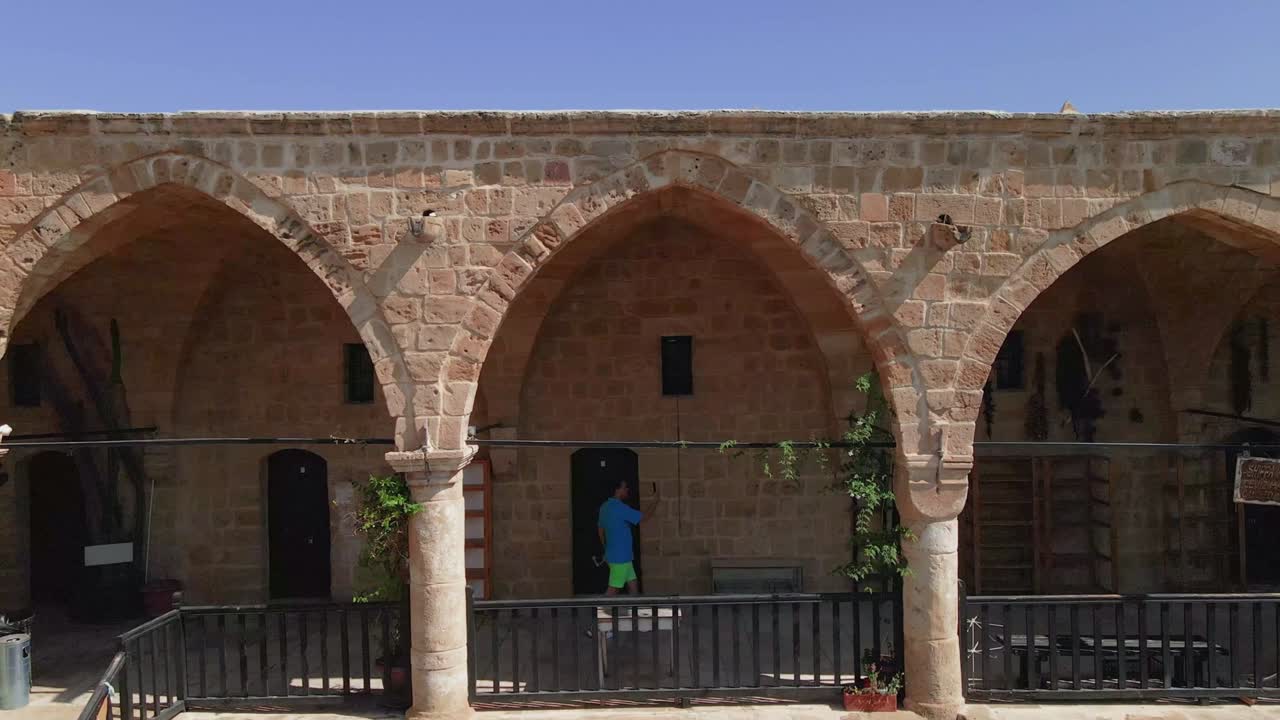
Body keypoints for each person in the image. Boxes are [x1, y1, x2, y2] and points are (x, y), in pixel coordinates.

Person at [597, 479, 658, 595]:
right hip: (621, 557)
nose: (627, 490)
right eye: (625, 488)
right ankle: (598, 611)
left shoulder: (604, 507)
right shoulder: (620, 508)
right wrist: (655, 501)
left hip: (616, 555)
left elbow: (600, 530)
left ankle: (635, 610)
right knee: (613, 589)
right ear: (618, 490)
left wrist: (606, 550)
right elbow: (644, 517)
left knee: (633, 585)